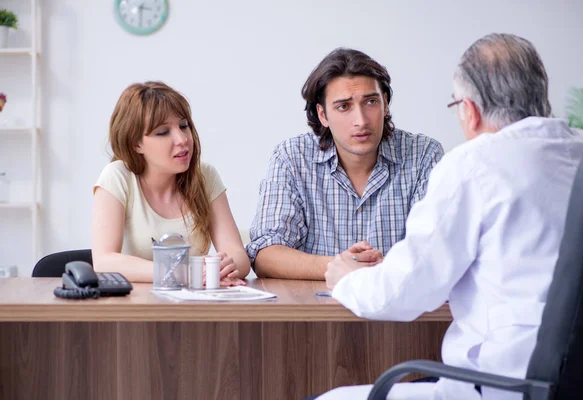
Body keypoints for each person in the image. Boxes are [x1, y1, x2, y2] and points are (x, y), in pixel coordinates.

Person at [318, 33, 583, 400]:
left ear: (470, 109)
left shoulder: (474, 165)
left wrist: (346, 278)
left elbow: (403, 292)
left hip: (501, 384)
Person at [247, 48, 444, 280]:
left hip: (399, 311)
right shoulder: (292, 157)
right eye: (343, 107)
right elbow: (265, 254)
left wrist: (372, 271)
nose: (360, 121)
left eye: (371, 102)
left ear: (386, 103)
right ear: (322, 115)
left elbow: (438, 251)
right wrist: (341, 266)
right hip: (315, 311)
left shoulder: (423, 155)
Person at [92, 81, 250, 284]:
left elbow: (238, 256)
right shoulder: (117, 176)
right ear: (136, 143)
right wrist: (183, 273)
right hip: (133, 308)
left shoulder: (205, 175)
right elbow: (105, 262)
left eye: (184, 126)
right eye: (163, 132)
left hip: (193, 307)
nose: (182, 139)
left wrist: (224, 267)